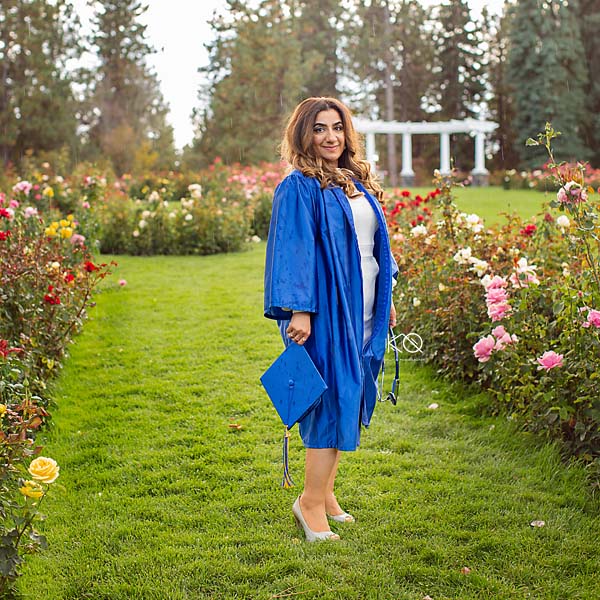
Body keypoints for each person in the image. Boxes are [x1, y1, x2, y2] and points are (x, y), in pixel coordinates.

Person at [263, 97, 398, 542]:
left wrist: (386, 299)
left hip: (362, 307)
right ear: (305, 134)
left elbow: (375, 244)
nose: (330, 137)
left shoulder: (353, 180)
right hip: (324, 310)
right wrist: (298, 308)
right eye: (319, 129)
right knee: (328, 401)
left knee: (348, 395)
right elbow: (293, 250)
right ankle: (309, 503)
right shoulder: (299, 186)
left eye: (337, 127)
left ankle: (326, 494)